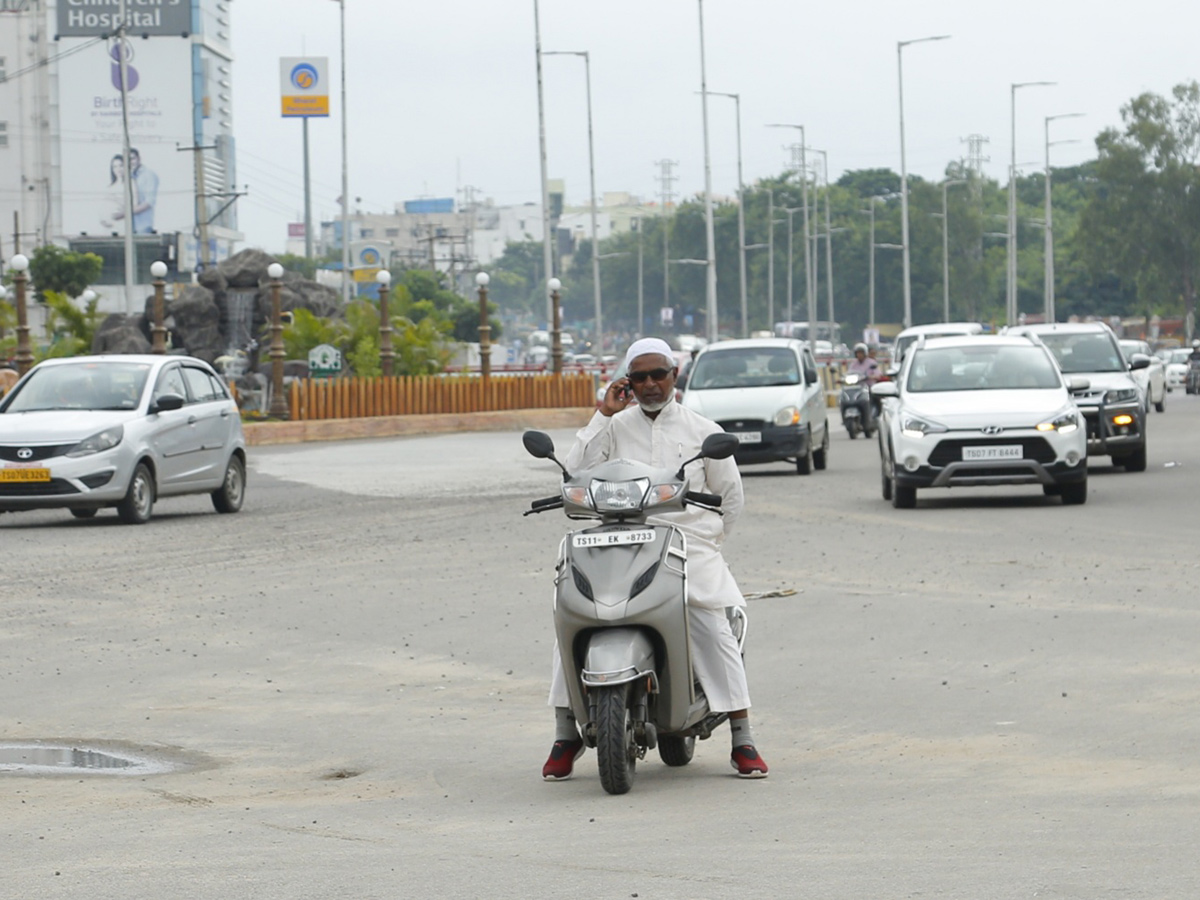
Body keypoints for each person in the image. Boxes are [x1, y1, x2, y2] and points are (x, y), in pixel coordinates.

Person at [542, 337, 769, 781]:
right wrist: (602, 413)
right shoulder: (613, 425)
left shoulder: (701, 428)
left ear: (674, 376)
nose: (649, 384)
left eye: (657, 375)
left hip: (687, 541)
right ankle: (565, 730)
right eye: (639, 377)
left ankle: (742, 736)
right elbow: (573, 471)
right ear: (627, 382)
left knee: (708, 620)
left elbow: (730, 499)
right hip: (616, 539)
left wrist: (709, 539)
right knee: (573, 615)